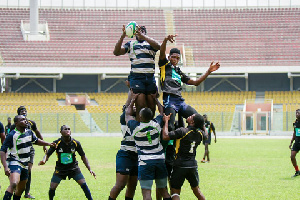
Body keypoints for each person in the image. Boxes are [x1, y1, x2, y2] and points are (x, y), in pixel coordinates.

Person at [158, 34, 220, 132]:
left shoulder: (179, 72)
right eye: (173, 57)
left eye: (178, 58)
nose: (175, 60)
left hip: (180, 101)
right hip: (170, 100)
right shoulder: (164, 66)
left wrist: (208, 71)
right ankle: (168, 146)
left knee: (198, 119)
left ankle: (200, 135)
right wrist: (165, 40)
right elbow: (161, 53)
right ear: (169, 57)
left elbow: (196, 83)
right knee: (170, 127)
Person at [125, 93, 171, 200]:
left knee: (146, 194)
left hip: (145, 162)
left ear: (140, 117)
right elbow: (162, 111)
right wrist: (155, 100)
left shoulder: (135, 127)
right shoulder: (156, 124)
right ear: (151, 117)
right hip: (159, 160)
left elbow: (127, 114)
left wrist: (133, 100)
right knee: (164, 191)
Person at [0, 115, 55, 200]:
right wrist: (5, 167)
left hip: (25, 163)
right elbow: (2, 150)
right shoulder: (12, 135)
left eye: (25, 119)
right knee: (14, 183)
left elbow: (36, 141)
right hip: (15, 161)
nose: (25, 121)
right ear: (16, 123)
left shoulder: (29, 132)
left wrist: (48, 144)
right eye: (22, 120)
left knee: (21, 189)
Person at [113, 24, 161, 121]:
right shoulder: (131, 44)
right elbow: (116, 52)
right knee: (141, 105)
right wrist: (122, 36)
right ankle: (140, 129)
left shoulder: (150, 44)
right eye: (138, 30)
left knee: (151, 105)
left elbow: (159, 46)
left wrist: (143, 37)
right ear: (134, 33)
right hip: (137, 78)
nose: (140, 32)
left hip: (150, 78)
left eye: (142, 30)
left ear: (145, 33)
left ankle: (151, 129)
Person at [39, 125, 96, 200]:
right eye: (65, 129)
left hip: (73, 168)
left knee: (83, 184)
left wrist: (90, 169)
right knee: (52, 187)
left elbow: (83, 156)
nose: (67, 130)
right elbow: (48, 154)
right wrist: (44, 160)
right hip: (60, 168)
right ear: (61, 132)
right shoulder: (57, 143)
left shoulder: (76, 143)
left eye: (69, 129)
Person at [162, 113, 207, 200]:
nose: (188, 116)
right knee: (197, 191)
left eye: (191, 116)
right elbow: (206, 135)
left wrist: (166, 122)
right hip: (192, 165)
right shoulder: (200, 134)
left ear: (192, 122)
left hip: (180, 165)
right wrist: (203, 125)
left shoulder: (183, 131)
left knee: (175, 192)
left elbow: (165, 136)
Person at [10, 106, 46, 199]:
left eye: (25, 111)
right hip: (19, 151)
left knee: (28, 170)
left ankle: (27, 192)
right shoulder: (15, 124)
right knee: (17, 170)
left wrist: (44, 144)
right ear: (18, 113)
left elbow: (37, 133)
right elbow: (10, 137)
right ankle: (16, 187)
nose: (24, 112)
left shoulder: (31, 123)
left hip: (29, 150)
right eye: (22, 111)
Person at [109, 91, 138, 200]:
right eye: (132, 107)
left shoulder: (141, 119)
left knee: (132, 186)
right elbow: (127, 107)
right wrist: (132, 95)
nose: (134, 108)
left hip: (137, 156)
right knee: (120, 184)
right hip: (126, 154)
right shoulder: (124, 118)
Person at [289, 109, 300, 177]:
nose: (297, 114)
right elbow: (295, 132)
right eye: (296, 113)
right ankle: (297, 171)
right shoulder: (295, 123)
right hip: (297, 142)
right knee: (292, 156)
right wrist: (291, 142)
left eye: (298, 113)